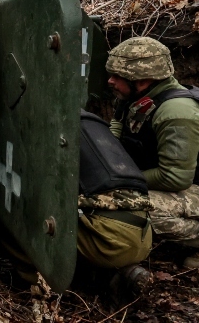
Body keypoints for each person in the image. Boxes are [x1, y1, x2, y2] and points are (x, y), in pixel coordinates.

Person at [104, 37, 199, 268]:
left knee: (135, 207)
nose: (110, 81)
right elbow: (118, 123)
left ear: (144, 80)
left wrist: (119, 179)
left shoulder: (177, 113)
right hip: (195, 185)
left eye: (118, 76)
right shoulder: (136, 98)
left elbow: (174, 178)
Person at [76, 110, 154, 295]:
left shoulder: (58, 129)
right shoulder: (95, 125)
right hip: (145, 237)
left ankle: (31, 286)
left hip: (111, 242)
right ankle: (111, 276)